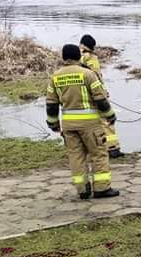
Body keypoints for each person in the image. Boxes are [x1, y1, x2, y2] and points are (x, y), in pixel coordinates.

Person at [46, 44, 120, 199]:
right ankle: (101, 188)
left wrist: (53, 123)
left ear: (64, 58)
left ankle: (83, 190)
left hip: (68, 126)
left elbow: (51, 104)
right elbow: (100, 98)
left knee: (76, 157)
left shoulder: (55, 76)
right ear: (78, 57)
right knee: (98, 154)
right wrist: (110, 115)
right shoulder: (88, 74)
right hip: (90, 125)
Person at [80, 34, 123, 158]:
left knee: (97, 122)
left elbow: (91, 77)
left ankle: (102, 148)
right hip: (96, 94)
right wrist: (103, 92)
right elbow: (96, 77)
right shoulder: (90, 58)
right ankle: (112, 148)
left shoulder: (81, 58)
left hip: (88, 96)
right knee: (106, 121)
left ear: (82, 44)